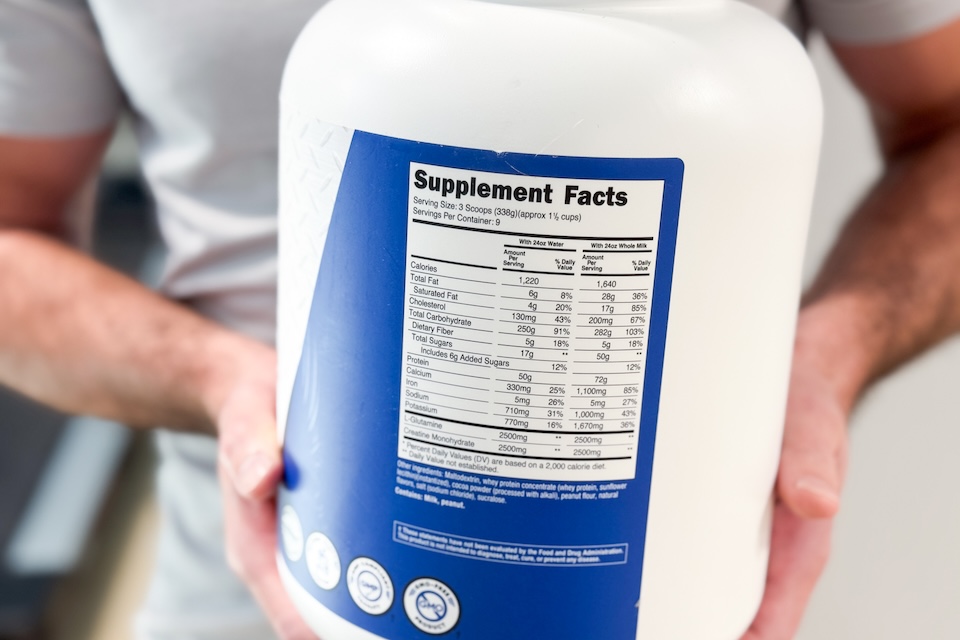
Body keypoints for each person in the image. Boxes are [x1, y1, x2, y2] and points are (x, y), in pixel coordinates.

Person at [0, 1, 958, 638]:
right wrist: (223, 382)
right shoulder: (349, 42)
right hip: (282, 536)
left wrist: (824, 361)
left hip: (655, 561)